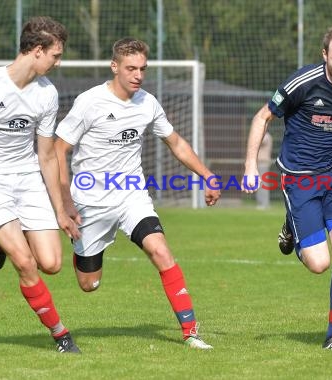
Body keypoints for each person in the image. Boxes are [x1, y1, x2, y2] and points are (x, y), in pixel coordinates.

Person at [54, 37, 221, 350]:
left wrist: (207, 175)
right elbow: (59, 149)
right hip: (90, 201)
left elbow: (176, 143)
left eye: (143, 68)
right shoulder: (90, 102)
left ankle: (190, 332)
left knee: (160, 251)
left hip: (132, 195)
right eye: (131, 68)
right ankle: (83, 252)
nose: (138, 75)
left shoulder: (148, 102)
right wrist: (65, 202)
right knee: (90, 285)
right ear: (114, 66)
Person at [0, 16, 81, 353]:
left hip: (26, 178)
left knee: (51, 263)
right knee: (24, 261)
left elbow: (47, 156)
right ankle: (61, 334)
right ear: (38, 51)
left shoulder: (47, 95)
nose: (58, 62)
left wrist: (61, 209)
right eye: (56, 55)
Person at [242, 23, 332, 350]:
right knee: (319, 264)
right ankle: (292, 224)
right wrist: (250, 166)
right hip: (300, 177)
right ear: (324, 56)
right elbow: (262, 117)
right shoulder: (301, 83)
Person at [256, 131, 273, 209]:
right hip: (259, 163)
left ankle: (264, 203)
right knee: (260, 184)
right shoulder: (264, 135)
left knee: (263, 184)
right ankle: (261, 202)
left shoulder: (266, 136)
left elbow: (259, 141)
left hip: (263, 163)